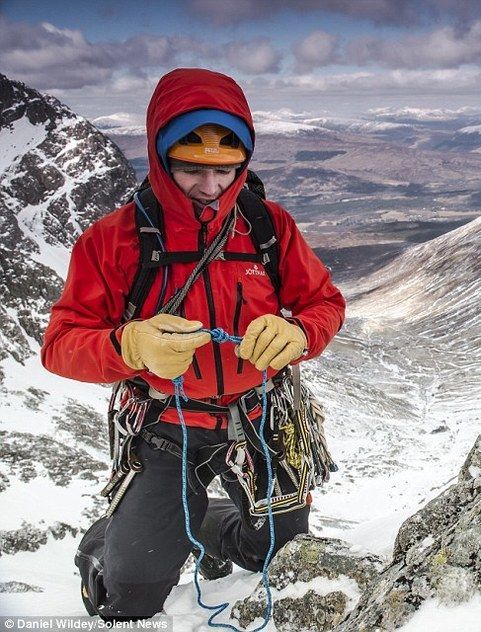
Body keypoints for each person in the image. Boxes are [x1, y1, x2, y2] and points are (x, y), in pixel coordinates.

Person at [41, 67, 345, 619]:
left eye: (227, 171)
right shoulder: (114, 241)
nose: (211, 188)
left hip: (259, 415)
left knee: (275, 550)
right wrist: (130, 346)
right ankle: (106, 543)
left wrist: (299, 332)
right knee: (127, 599)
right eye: (191, 170)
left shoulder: (267, 227)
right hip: (164, 426)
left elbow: (325, 304)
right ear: (160, 159)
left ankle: (199, 519)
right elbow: (60, 343)